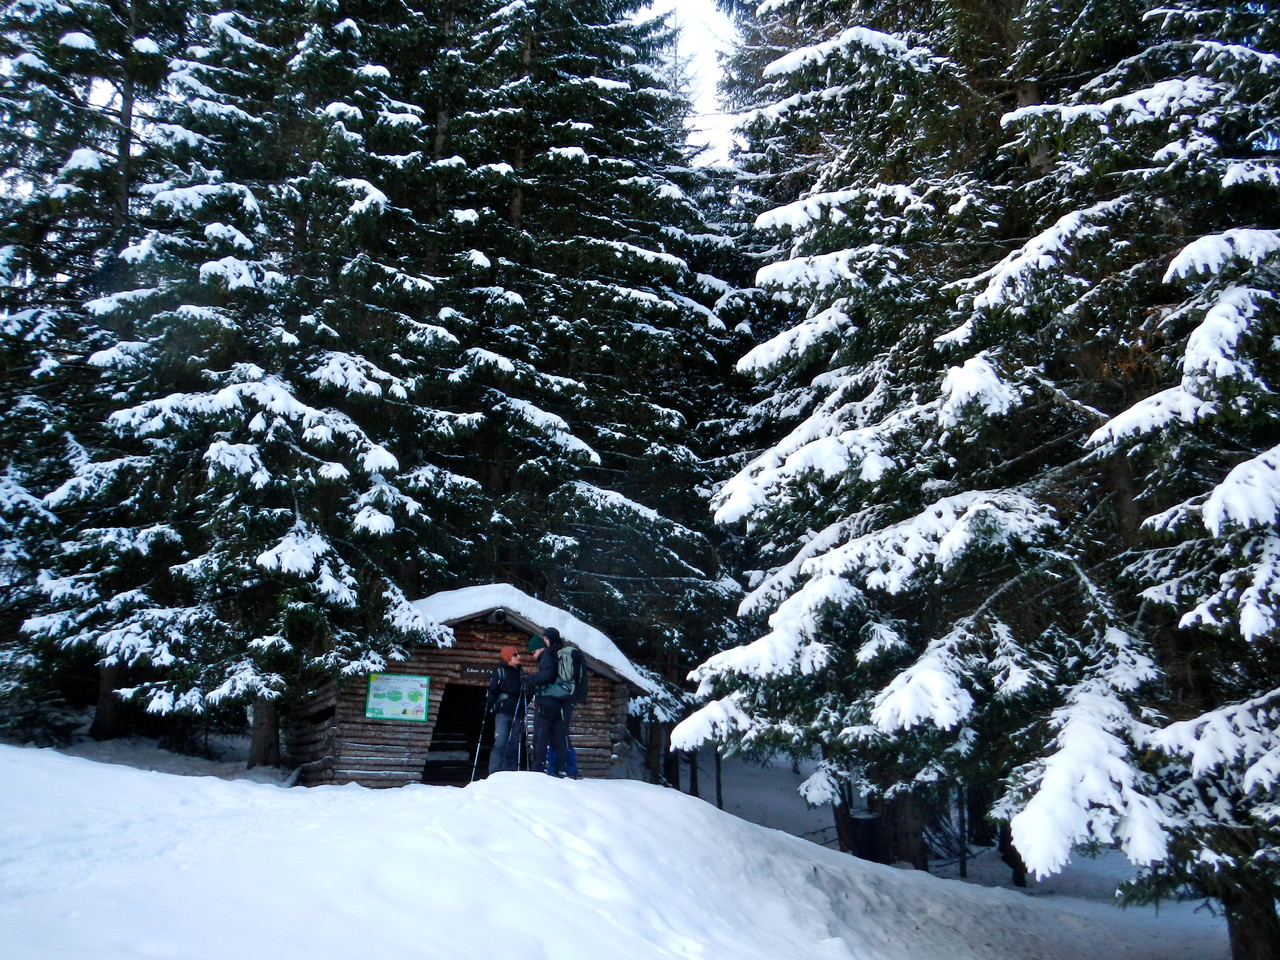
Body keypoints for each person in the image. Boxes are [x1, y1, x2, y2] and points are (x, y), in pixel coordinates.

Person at [526, 627, 581, 778]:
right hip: (560, 703)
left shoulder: (548, 655)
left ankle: (539, 767)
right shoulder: (559, 653)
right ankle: (562, 768)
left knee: (540, 736)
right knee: (559, 737)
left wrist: (530, 678)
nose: (533, 656)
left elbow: (547, 675)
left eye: (534, 652)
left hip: (547, 703)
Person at [484, 646, 525, 774]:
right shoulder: (500, 672)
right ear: (508, 658)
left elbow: (525, 694)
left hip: (517, 713)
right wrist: (489, 706)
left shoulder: (521, 673)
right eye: (515, 655)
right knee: (500, 743)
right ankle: (494, 773)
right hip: (502, 713)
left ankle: (509, 775)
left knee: (513, 745)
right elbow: (492, 691)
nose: (519, 657)